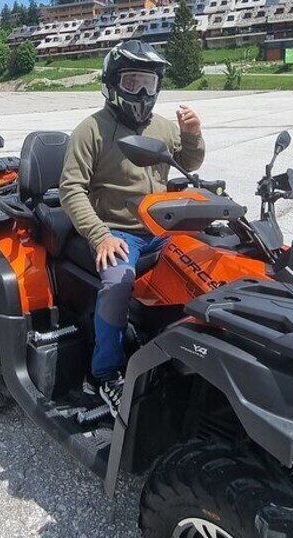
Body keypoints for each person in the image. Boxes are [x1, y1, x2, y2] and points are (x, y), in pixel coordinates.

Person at [58, 40, 205, 416]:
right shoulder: (91, 129)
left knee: (209, 264)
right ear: (112, 84)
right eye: (132, 81)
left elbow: (189, 162)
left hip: (161, 225)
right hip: (117, 230)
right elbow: (70, 188)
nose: (141, 92)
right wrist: (100, 235)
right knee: (118, 281)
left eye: (148, 83)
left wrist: (192, 134)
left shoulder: (162, 127)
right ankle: (103, 374)